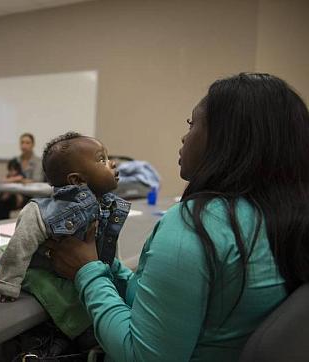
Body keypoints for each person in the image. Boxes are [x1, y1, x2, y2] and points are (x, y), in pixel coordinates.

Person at [44, 73, 309, 361]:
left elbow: (141, 355)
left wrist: (88, 273)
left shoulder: (198, 227)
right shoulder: (284, 217)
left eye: (192, 124)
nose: (185, 136)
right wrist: (104, 266)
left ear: (226, 138)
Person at [0, 132, 131, 342]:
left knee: (112, 290)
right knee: (63, 299)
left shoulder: (107, 205)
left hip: (80, 271)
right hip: (44, 272)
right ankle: (84, 332)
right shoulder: (42, 210)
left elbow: (108, 243)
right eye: (102, 160)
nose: (112, 163)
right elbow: (20, 245)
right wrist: (7, 284)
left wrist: (108, 269)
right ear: (77, 180)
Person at [0, 133, 43, 220]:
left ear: (33, 145)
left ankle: (2, 228)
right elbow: (9, 177)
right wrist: (18, 180)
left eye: (27, 143)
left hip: (29, 194)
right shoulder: (16, 160)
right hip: (14, 192)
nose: (24, 145)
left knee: (4, 203)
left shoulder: (38, 162)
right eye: (22, 143)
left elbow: (36, 181)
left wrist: (17, 180)